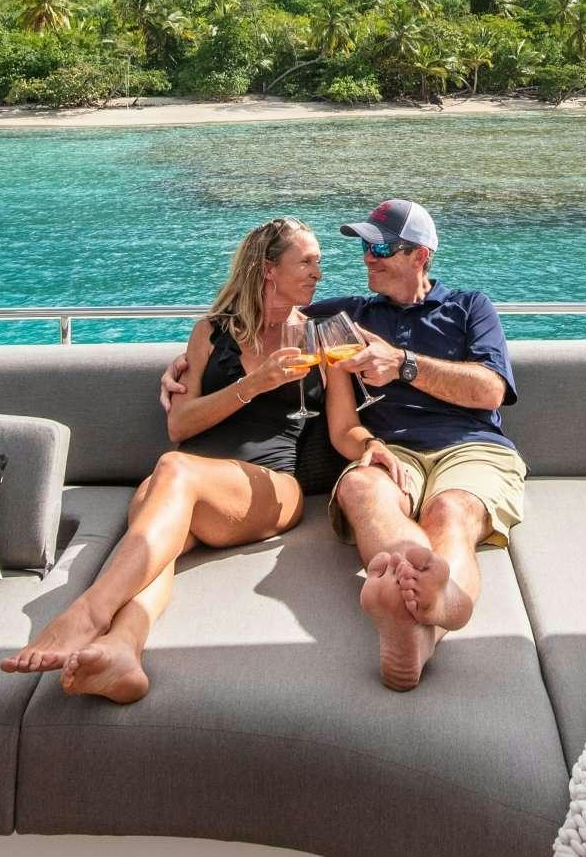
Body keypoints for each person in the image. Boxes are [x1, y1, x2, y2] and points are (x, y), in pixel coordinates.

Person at [161, 199, 526, 691]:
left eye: (380, 247)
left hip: (470, 445)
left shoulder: (469, 307)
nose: (367, 257)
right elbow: (250, 320)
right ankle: (415, 596)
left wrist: (402, 364)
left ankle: (435, 609)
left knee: (451, 511)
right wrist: (182, 367)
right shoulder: (346, 315)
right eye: (363, 246)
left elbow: (489, 391)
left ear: (419, 255)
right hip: (385, 448)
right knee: (361, 493)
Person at [2, 217, 324, 701]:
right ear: (267, 270)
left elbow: (345, 426)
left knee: (167, 472)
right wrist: (253, 384)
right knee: (160, 538)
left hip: (269, 484)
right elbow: (180, 426)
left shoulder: (317, 336)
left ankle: (87, 612)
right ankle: (122, 650)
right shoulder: (211, 333)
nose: (319, 272)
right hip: (186, 483)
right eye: (308, 261)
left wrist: (373, 450)